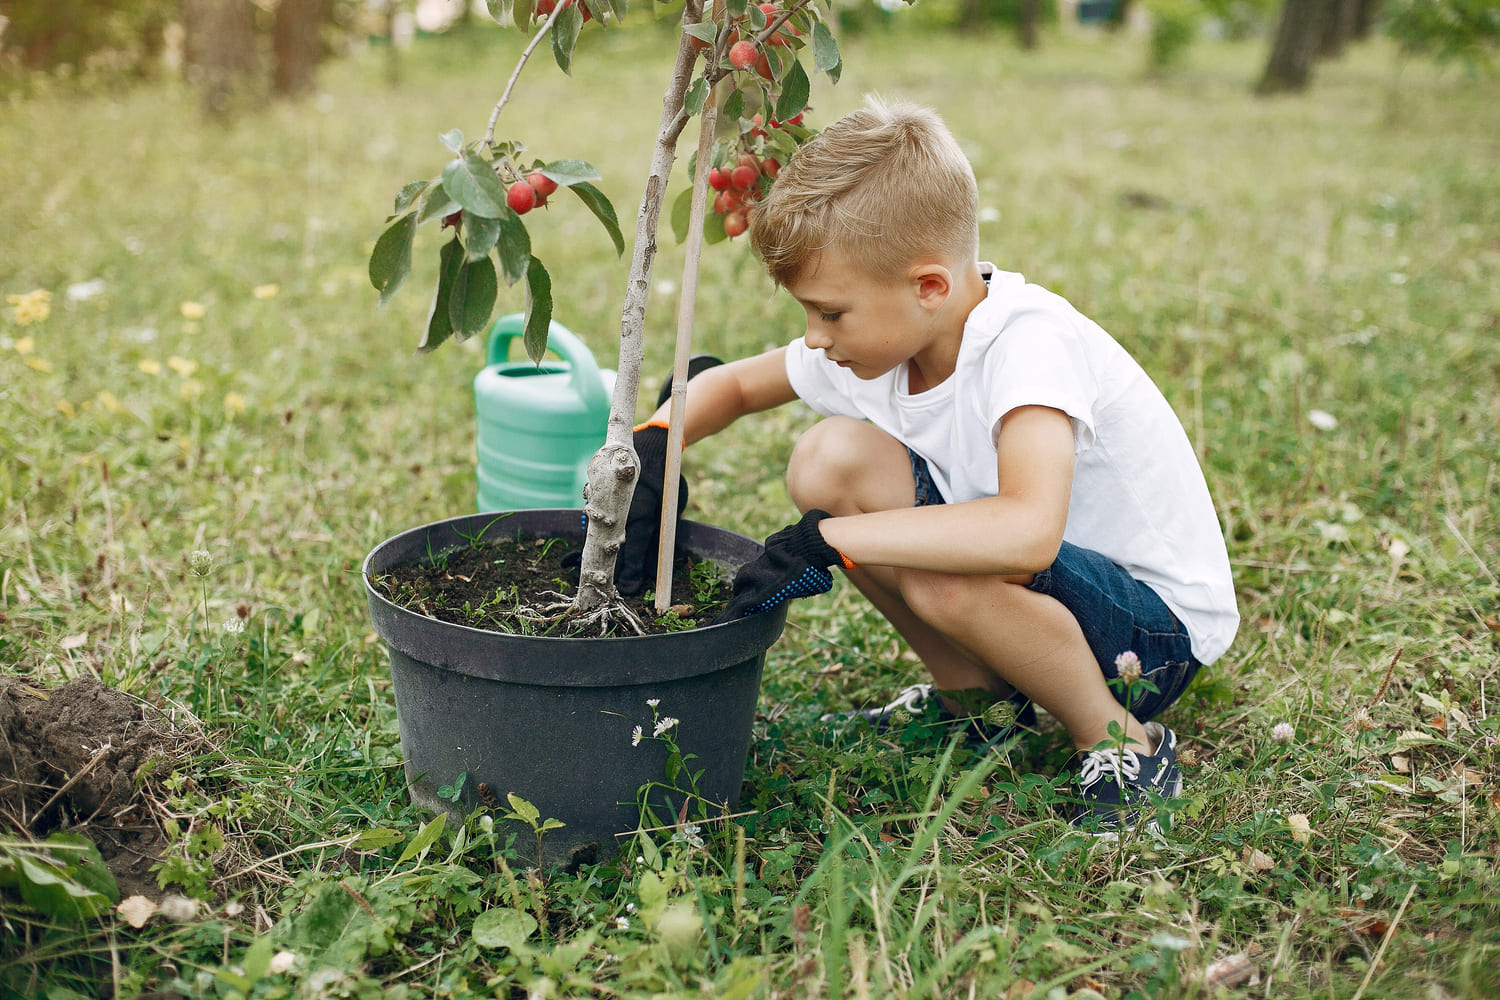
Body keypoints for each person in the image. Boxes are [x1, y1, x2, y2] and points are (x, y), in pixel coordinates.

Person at [618, 96, 1238, 836]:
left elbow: (1027, 535)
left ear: (930, 287)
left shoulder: (1026, 345)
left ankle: (1120, 742)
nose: (814, 339)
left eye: (831, 313)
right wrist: (656, 441)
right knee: (829, 459)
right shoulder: (890, 339)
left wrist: (831, 542)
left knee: (940, 562)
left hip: (1150, 638)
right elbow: (742, 384)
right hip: (1041, 599)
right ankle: (978, 708)